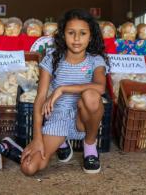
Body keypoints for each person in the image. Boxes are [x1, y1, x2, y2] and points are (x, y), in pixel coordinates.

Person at [21, 9, 109, 175]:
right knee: (29, 167)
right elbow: (40, 98)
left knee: (91, 95)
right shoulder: (52, 59)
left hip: (82, 119)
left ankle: (89, 146)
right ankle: (62, 142)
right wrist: (37, 138)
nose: (76, 39)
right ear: (63, 35)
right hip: (58, 117)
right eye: (71, 33)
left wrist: (62, 89)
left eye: (82, 33)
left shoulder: (95, 60)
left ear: (90, 36)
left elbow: (100, 87)